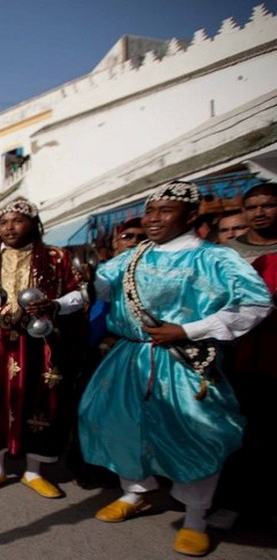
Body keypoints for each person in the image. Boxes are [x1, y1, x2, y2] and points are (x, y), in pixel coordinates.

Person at [77, 181, 273, 557]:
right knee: (115, 422)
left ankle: (196, 517)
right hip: (129, 357)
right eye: (151, 211)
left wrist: (188, 329)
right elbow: (94, 291)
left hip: (185, 360)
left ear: (192, 215)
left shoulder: (215, 258)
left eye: (165, 211)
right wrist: (54, 305)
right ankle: (136, 492)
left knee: (196, 432)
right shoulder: (130, 258)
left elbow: (256, 304)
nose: (154, 219)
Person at [0, 197, 85, 499]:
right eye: (3, 222)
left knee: (39, 400)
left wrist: (54, 305)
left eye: (16, 220)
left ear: (34, 223)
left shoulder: (56, 257)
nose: (8, 227)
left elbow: (80, 295)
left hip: (39, 344)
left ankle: (33, 471)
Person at [227, 182, 277, 261]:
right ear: (243, 211)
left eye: (268, 206)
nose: (259, 214)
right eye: (251, 208)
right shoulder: (227, 252)